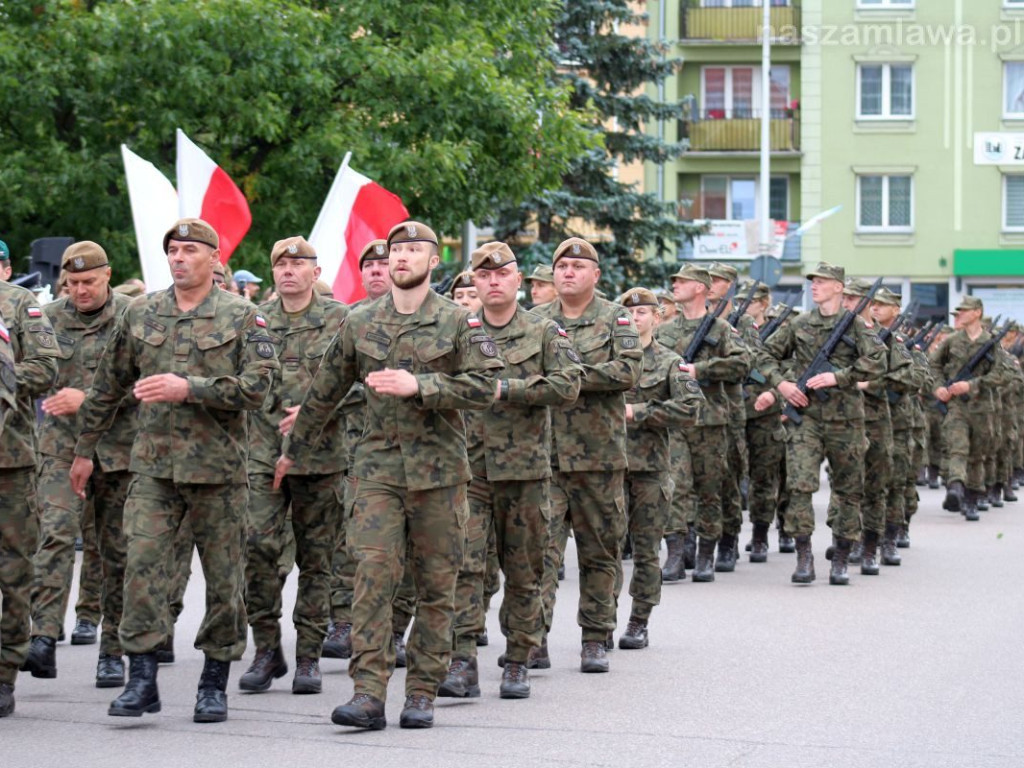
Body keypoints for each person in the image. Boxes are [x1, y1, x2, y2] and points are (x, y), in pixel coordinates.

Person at [279, 220, 504, 730]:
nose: (401, 257)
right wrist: (293, 450)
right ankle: (368, 693)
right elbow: (323, 391)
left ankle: (422, 691)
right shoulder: (359, 322)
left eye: (413, 250)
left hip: (440, 476)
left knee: (435, 585)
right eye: (395, 250)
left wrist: (421, 385)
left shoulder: (457, 322)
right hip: (376, 471)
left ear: (433, 261)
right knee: (372, 580)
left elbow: (487, 385)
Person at [70, 218, 279, 722]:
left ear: (213, 256)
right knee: (140, 570)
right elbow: (106, 386)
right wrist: (83, 450)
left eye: (189, 250)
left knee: (225, 581)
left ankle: (214, 682)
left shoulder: (243, 316)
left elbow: (259, 389)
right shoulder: (142, 314)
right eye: (172, 251)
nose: (179, 258)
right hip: (154, 470)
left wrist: (191, 388)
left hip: (220, 473)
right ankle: (142, 679)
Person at [438, 241, 579, 700]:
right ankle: (461, 661)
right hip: (468, 471)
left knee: (525, 570)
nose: (493, 281)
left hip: (525, 472)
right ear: (473, 283)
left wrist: (507, 389)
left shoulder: (545, 331)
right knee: (464, 567)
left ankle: (518, 659)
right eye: (484, 275)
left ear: (518, 281)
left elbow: (567, 384)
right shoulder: (456, 331)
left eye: (502, 275)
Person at [23, 242, 136, 689]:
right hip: (60, 449)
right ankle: (44, 635)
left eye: (88, 282)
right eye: (71, 283)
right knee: (52, 536)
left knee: (117, 552)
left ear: (107, 275)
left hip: (120, 452)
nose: (80, 290)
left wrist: (87, 398)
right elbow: (30, 370)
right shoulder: (48, 318)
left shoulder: (134, 316)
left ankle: (113, 651)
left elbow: (148, 381)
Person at [239, 237, 348, 696]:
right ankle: (266, 649)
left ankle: (308, 655)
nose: (288, 270)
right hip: (264, 454)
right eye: (280, 263)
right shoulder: (255, 321)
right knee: (259, 550)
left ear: (315, 271)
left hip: (321, 457)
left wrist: (314, 410)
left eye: (297, 263)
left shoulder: (342, 319)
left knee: (317, 560)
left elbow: (363, 383)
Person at [533, 237, 642, 673]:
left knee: (600, 553)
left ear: (595, 275)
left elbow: (629, 370)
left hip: (598, 458)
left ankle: (595, 637)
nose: (568, 272)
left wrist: (568, 377)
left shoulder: (615, 317)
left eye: (578, 266)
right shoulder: (536, 319)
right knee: (540, 553)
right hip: (545, 456)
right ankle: (531, 638)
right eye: (562, 266)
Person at [758, 263, 886, 585]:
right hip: (807, 419)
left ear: (839, 288)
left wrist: (838, 377)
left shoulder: (855, 326)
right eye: (813, 281)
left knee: (848, 489)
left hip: (846, 420)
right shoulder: (799, 323)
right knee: (799, 485)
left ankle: (841, 556)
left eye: (822, 281)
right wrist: (783, 385)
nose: (814, 286)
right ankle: (804, 555)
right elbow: (763, 355)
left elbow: (878, 361)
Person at [323, 239, 416, 669]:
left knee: (410, 552)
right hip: (352, 451)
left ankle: (396, 628)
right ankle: (345, 623)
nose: (379, 271)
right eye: (371, 266)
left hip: (415, 459)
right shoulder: (350, 321)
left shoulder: (430, 317)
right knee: (356, 545)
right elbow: (325, 381)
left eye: (385, 264)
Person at [616, 288, 702, 649]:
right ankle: (600, 622)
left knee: (647, 550)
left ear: (656, 316)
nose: (635, 319)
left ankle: (639, 620)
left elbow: (691, 408)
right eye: (628, 314)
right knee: (603, 552)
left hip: (650, 469)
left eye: (642, 313)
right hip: (605, 467)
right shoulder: (607, 360)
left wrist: (641, 412)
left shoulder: (670, 362)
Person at [656, 264, 747, 581]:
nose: (675, 285)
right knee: (676, 487)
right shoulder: (664, 331)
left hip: (709, 420)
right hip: (676, 419)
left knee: (710, 489)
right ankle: (676, 555)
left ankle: (707, 553)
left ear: (700, 288)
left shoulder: (720, 329)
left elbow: (742, 363)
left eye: (681, 281)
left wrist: (701, 370)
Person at [0, 284, 59, 718]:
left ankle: (4, 674)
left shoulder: (20, 305)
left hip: (9, 460)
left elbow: (46, 368)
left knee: (13, 571)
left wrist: (4, 374)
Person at [929, 296, 1005, 521]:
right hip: (956, 407)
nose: (959, 314)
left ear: (977, 313)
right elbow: (933, 365)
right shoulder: (951, 341)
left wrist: (971, 385)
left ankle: (972, 497)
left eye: (964, 310)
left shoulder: (991, 343)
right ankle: (956, 487)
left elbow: (1003, 374)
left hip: (982, 408)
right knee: (957, 448)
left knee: (976, 455)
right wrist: (938, 387)